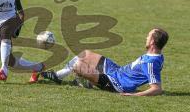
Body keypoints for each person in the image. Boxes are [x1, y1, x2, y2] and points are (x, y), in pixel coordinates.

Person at [40, 28, 169, 96]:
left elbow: (156, 89)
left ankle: (86, 82)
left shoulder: (151, 63)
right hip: (117, 71)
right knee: (85, 54)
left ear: (152, 42)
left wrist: (135, 95)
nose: (146, 38)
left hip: (118, 84)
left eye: (148, 36)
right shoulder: (155, 55)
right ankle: (58, 76)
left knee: (78, 66)